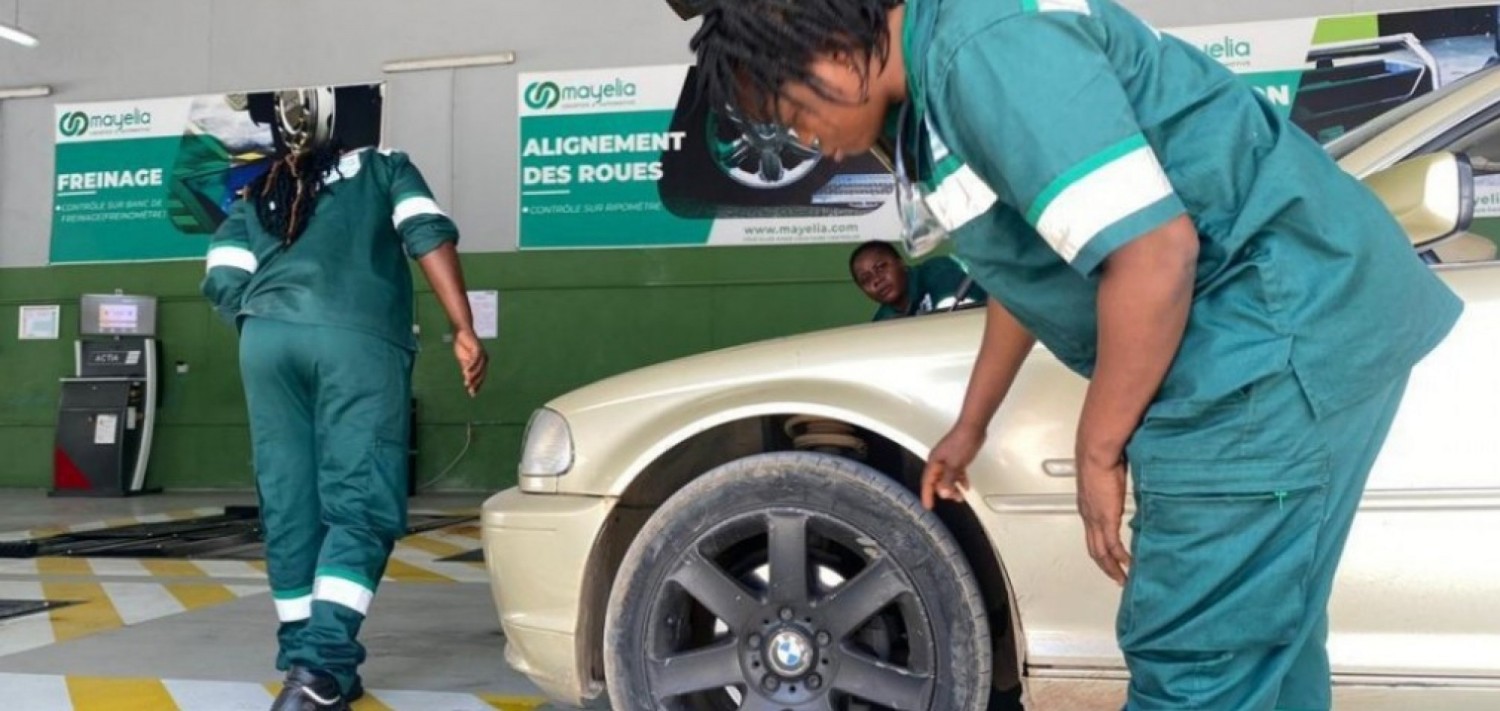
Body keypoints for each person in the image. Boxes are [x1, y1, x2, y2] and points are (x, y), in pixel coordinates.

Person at [683, 0, 1463, 709]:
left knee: (1195, 660)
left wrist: (1099, 448)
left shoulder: (981, 47)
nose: (801, 142)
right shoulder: (937, 87)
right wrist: (972, 423)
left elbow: (1155, 253)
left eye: (786, 112)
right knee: (1262, 645)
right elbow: (1034, 269)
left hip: (1268, 335)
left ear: (822, 44)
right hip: (1287, 325)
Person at [202, 87, 488, 711]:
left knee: (290, 506)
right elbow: (427, 233)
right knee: (359, 503)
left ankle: (306, 660)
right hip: (355, 342)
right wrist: (463, 328)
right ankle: (320, 670)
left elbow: (222, 276)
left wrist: (264, 325)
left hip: (266, 342)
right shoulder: (385, 166)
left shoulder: (261, 190)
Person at [849, 239, 985, 320]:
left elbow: (961, 326)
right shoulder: (883, 320)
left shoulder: (939, 272)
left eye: (881, 267)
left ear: (901, 263)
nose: (876, 280)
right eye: (866, 279)